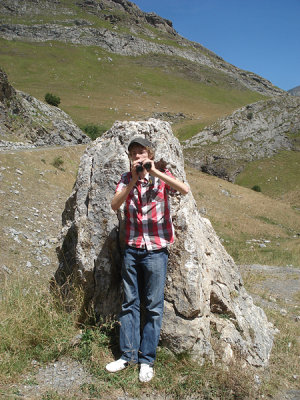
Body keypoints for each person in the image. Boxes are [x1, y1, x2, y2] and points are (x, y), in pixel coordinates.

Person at [105, 136, 189, 382]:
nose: (137, 157)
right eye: (133, 154)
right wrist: (132, 180)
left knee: (153, 306)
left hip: (156, 251)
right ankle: (126, 355)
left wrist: (155, 172)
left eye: (141, 153)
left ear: (149, 154)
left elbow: (184, 189)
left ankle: (147, 360)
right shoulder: (124, 179)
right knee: (129, 303)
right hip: (132, 249)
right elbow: (114, 205)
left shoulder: (163, 174)